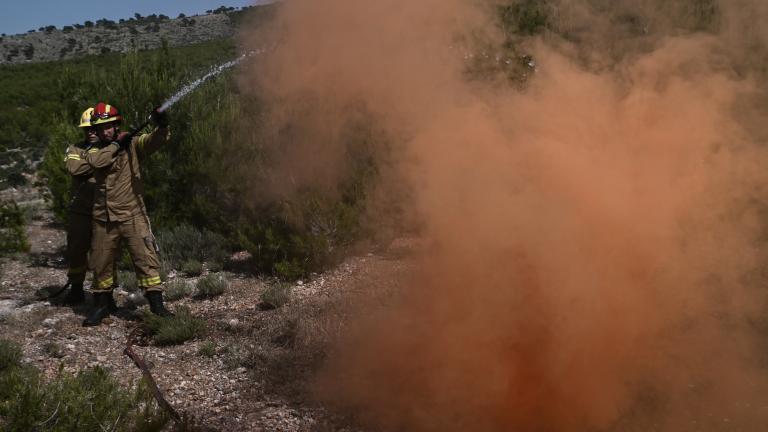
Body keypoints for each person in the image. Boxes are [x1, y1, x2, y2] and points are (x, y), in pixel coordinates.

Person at [82, 102, 172, 326]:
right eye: (100, 128)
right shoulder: (94, 149)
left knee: (146, 259)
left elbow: (153, 142)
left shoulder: (132, 144)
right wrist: (116, 144)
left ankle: (157, 306)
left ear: (116, 125)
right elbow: (97, 162)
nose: (105, 131)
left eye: (108, 127)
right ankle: (102, 305)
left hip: (132, 214)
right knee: (101, 263)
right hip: (103, 218)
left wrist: (162, 126)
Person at [61, 107, 99, 304]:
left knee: (103, 253)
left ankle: (104, 294)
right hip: (80, 210)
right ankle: (76, 289)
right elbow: (75, 168)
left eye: (94, 128)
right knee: (77, 250)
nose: (90, 132)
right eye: (87, 129)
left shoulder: (111, 147)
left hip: (103, 209)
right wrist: (101, 158)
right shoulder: (75, 148)